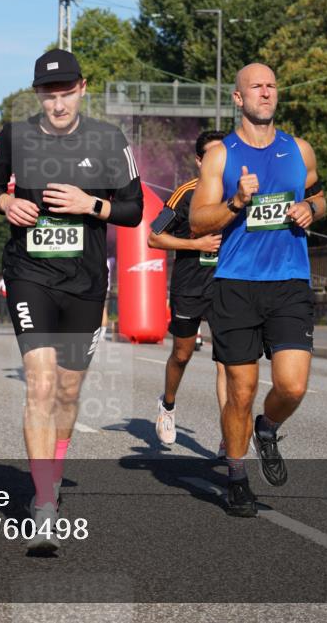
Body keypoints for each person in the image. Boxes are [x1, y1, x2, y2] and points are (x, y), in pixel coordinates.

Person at [0, 49, 144, 552]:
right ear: (38, 95)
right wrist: (7, 201)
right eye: (48, 94)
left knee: (68, 393)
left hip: (86, 282)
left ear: (82, 88)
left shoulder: (108, 140)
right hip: (30, 274)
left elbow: (134, 209)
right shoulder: (17, 135)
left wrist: (92, 204)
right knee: (41, 383)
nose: (57, 102)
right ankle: (44, 503)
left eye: (66, 91)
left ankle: (54, 468)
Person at [189, 63, 325, 518]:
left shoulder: (299, 149)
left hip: (290, 281)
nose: (265, 93)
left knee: (292, 384)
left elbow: (321, 196)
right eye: (256, 87)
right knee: (240, 392)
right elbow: (197, 221)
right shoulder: (220, 157)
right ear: (238, 98)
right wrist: (236, 203)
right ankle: (236, 475)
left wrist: (309, 207)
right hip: (237, 284)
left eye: (271, 86)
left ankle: (267, 429)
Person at [148, 130, 226, 449]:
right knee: (181, 354)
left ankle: (229, 433)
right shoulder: (186, 193)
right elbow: (154, 237)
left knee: (229, 361)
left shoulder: (239, 193)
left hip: (227, 287)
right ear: (198, 160)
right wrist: (195, 243)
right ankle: (167, 405)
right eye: (212, 155)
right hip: (190, 286)